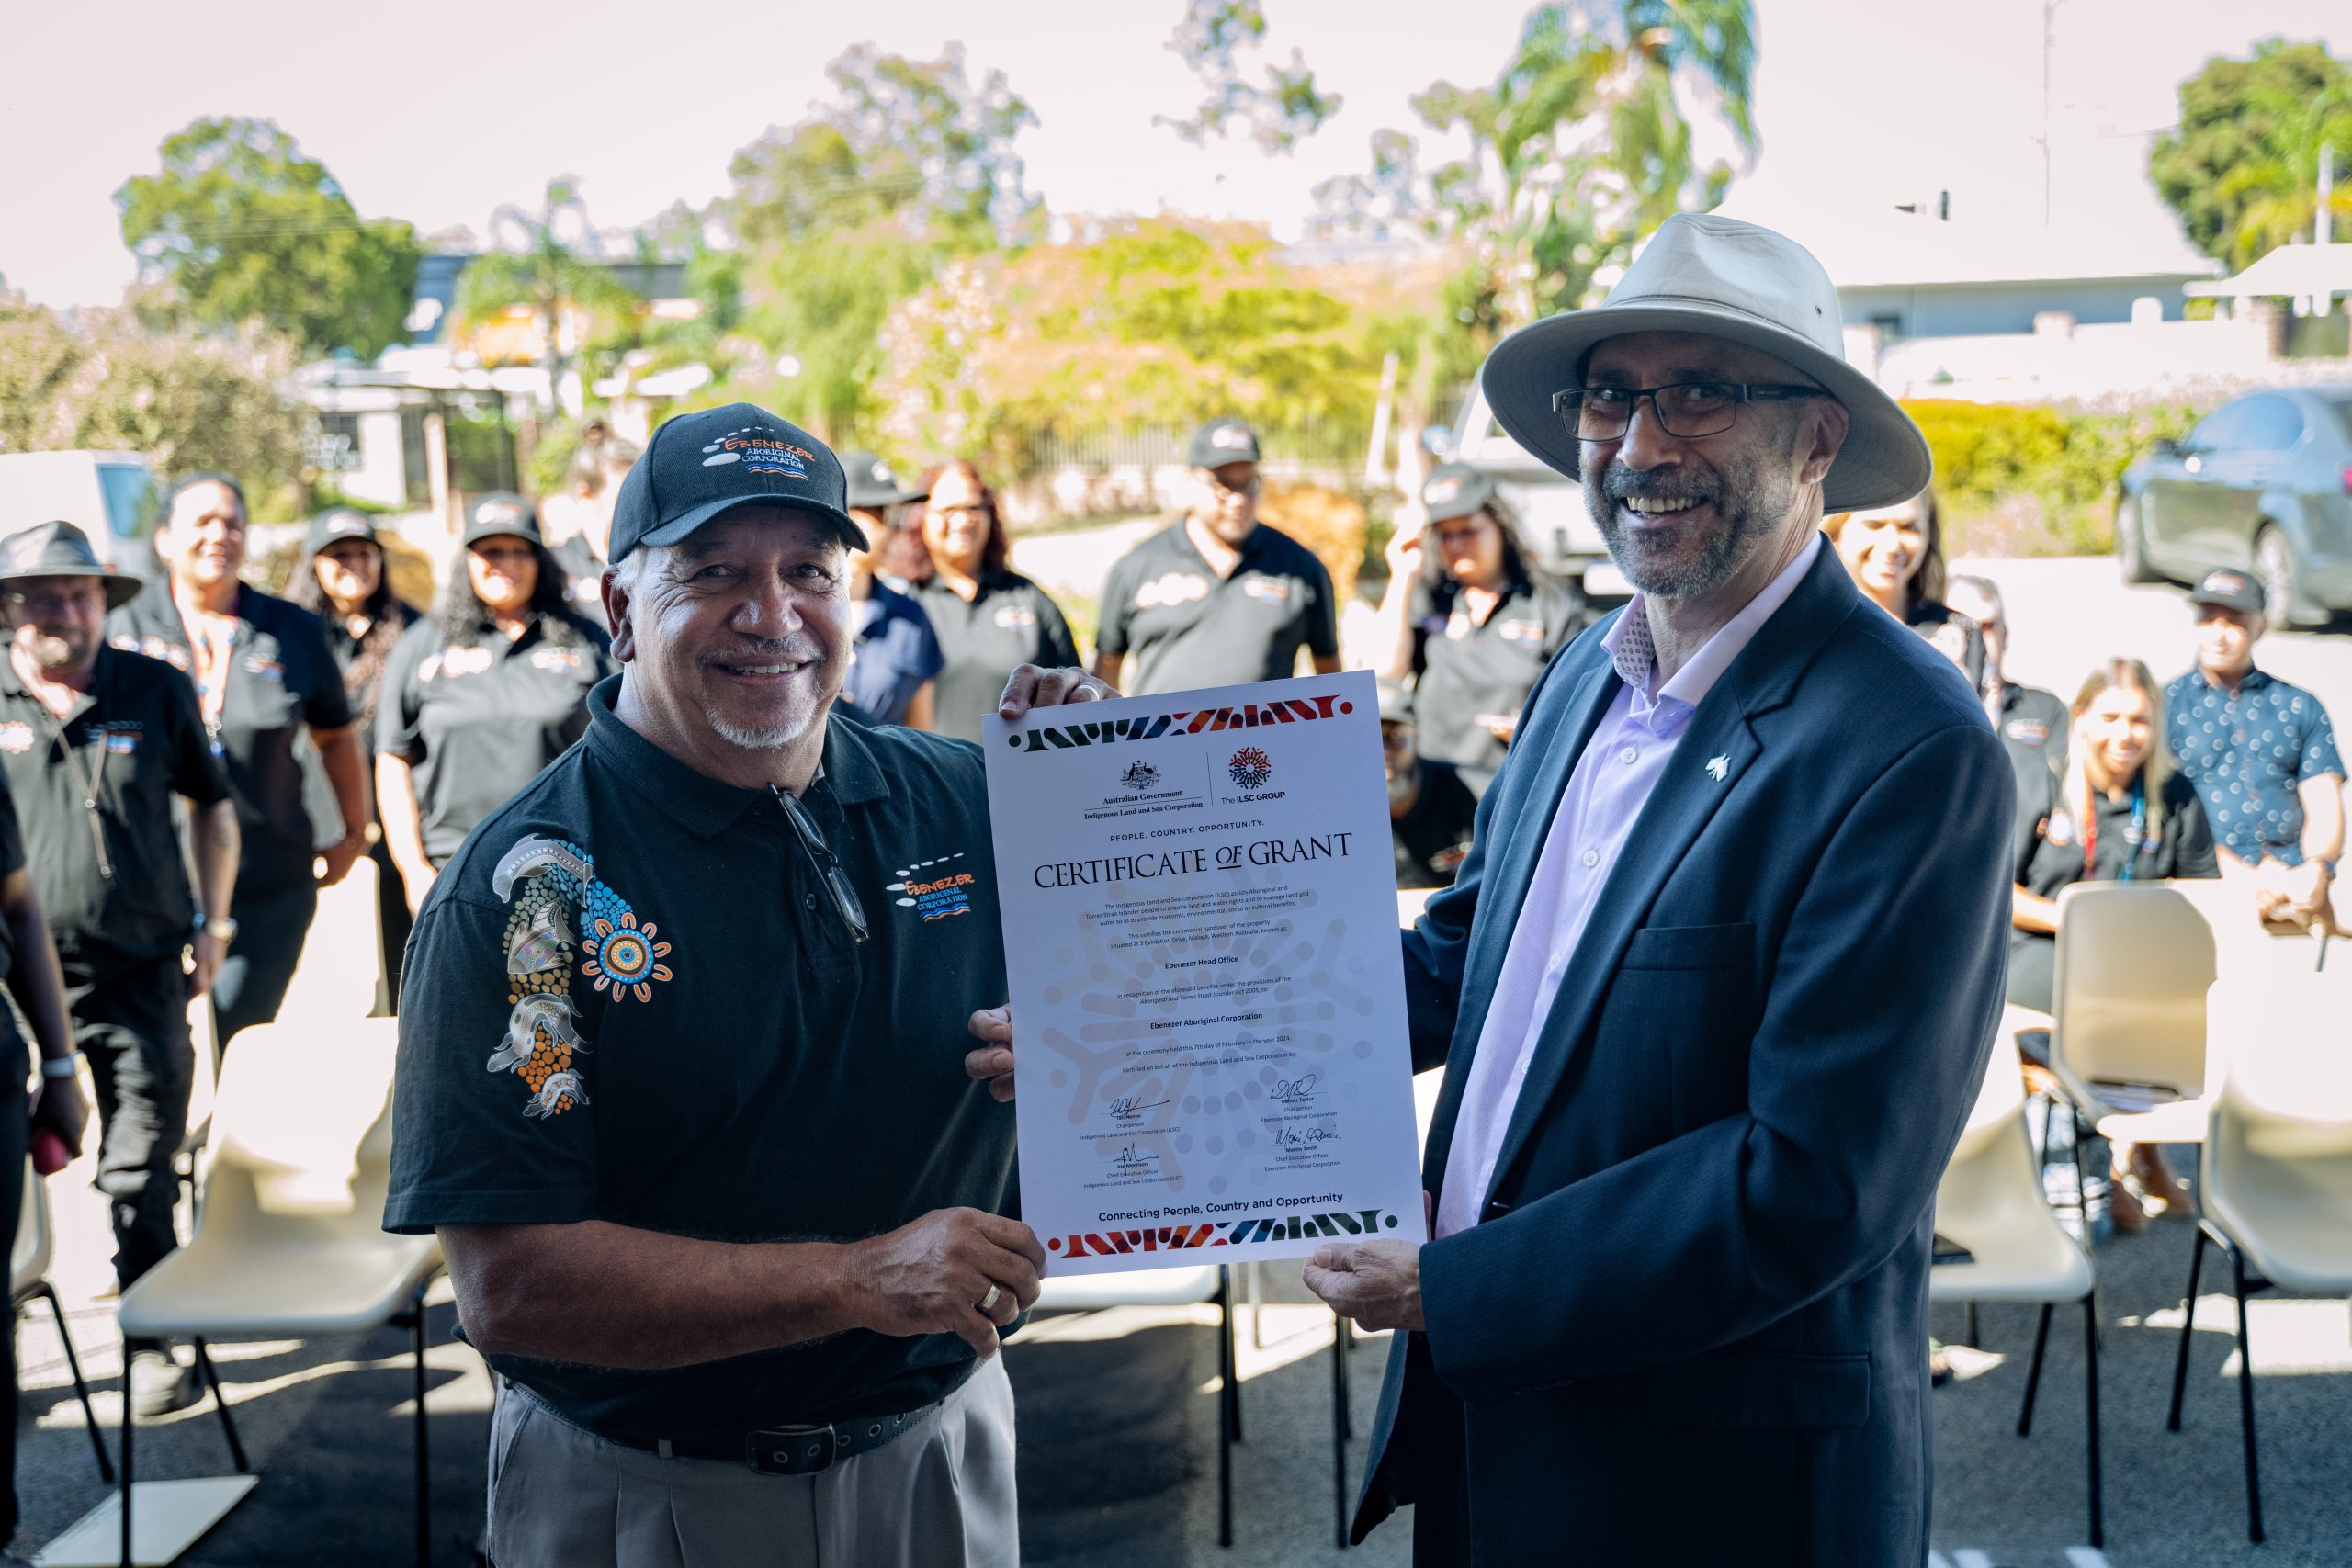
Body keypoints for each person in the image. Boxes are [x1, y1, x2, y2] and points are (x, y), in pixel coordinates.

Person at [1279, 214, 2011, 1563]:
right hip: (1503, 1435)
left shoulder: (1909, 744)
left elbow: (1811, 1182)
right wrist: (1148, 1039)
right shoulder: (1583, 675)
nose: (1641, 444)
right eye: (1612, 394)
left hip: (1718, 1486)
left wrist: (1456, 1285)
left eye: (1700, 393)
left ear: (1815, 440)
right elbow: (1460, 965)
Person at [385, 403, 1097, 1567]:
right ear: (619, 610)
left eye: (807, 570)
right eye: (713, 571)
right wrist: (859, 1282)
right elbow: (511, 1288)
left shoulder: (973, 799)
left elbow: (1168, 1023)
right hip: (646, 1496)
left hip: (938, 1451)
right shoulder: (529, 890)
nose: (771, 615)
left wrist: (1122, 795)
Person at [0, 522, 225, 1416]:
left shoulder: (154, 687)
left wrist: (214, 920)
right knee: (12, 1175)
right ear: (10, 606)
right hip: (17, 991)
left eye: (82, 594)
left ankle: (152, 1334)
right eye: (46, 595)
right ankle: (11, 1347)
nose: (68, 611)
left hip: (140, 971)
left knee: (139, 1168)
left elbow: (214, 810)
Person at [108, 475, 368, 1045]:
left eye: (231, 523)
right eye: (201, 522)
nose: (218, 535)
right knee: (151, 1042)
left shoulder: (291, 629)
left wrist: (353, 829)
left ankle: (224, 1132)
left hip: (267, 879)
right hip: (145, 881)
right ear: (163, 539)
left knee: (242, 1032)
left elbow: (337, 737)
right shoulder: (120, 628)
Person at [2007, 659, 2213, 1224]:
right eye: (2111, 718)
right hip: (2043, 948)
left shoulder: (2172, 793)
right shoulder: (2042, 778)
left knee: (2170, 1007)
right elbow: (1999, 891)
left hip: (2138, 959)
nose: (2125, 734)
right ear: (2082, 718)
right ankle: (2111, 1168)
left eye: (2140, 721)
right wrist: (2081, 921)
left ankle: (2135, 1159)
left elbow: (2201, 891)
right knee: (2090, 1013)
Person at [376, 494, 614, 916]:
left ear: (541, 560)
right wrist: (413, 870)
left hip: (566, 871)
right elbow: (392, 758)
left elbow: (623, 747)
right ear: (466, 559)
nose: (505, 562)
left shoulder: (585, 639)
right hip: (451, 871)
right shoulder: (423, 642)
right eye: (490, 550)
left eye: (519, 550)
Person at [1375, 463, 1588, 794]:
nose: (1457, 543)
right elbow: (1385, 672)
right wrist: (1402, 575)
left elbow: (1580, 703)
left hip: (1515, 792)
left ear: (1499, 527)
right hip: (1436, 800)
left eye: (1469, 530)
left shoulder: (1548, 603)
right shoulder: (1428, 599)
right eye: (1445, 534)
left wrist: (1535, 727)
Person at [1092, 418, 1342, 696]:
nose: (1238, 499)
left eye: (1248, 483)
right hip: (1160, 738)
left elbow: (1329, 673)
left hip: (1262, 740)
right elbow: (1107, 669)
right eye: (1223, 484)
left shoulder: (1299, 567)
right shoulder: (1137, 566)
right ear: (1191, 481)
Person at [286, 507, 424, 999]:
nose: (353, 564)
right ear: (314, 564)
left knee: (396, 916)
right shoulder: (293, 631)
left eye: (364, 553)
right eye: (338, 554)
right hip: (316, 800)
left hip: (393, 797)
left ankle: (397, 1002)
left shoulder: (412, 628)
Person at [2165, 568, 2346, 934]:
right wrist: (2237, 877)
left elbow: (2324, 799)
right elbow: (2163, 810)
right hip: (2204, 884)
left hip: (2297, 884)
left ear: (2261, 626)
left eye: (2235, 621)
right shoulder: (2163, 707)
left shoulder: (2300, 706)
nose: (2219, 632)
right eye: (2208, 618)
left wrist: (2317, 868)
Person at [906, 462, 1081, 745]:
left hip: (1020, 778)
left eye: (973, 508)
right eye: (948, 510)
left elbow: (1073, 687)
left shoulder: (1027, 597)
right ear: (920, 518)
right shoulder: (903, 602)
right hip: (930, 781)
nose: (962, 520)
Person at [1825, 488, 1985, 690]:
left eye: (1909, 528)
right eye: (1874, 525)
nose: (1892, 545)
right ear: (1836, 535)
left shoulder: (1959, 629)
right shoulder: (1811, 629)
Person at [836, 452, 943, 728]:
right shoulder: (793, 613)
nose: (897, 530)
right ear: (846, 517)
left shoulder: (910, 617)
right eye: (887, 515)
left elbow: (921, 738)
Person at [1947, 573, 2068, 807]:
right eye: (1964, 626)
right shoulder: (1921, 711)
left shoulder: (2046, 710)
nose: (1978, 641)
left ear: (2005, 635)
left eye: (1988, 627)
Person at [1379, 681, 1480, 892]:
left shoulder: (1461, 789)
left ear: (1417, 736)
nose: (1384, 753)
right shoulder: (1339, 811)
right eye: (1369, 740)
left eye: (1395, 737)